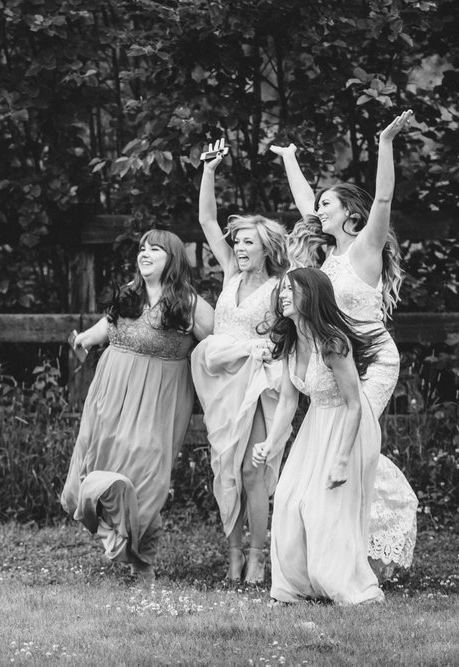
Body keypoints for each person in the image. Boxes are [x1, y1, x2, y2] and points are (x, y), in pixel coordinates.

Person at [270, 111, 418, 578]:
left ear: (350, 214)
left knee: (353, 444)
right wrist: (291, 160)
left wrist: (386, 143)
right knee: (326, 445)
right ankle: (329, 551)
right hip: (334, 358)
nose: (318, 210)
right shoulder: (324, 257)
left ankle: (365, 548)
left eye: (327, 204)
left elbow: (385, 197)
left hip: (372, 361)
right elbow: (303, 205)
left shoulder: (365, 249)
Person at [60, 229, 214, 582]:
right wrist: (84, 338)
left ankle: (141, 559)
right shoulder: (130, 295)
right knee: (97, 462)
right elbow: (109, 326)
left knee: (145, 472)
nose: (145, 254)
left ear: (172, 259)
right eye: (142, 248)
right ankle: (117, 537)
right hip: (110, 394)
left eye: (155, 250)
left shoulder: (188, 304)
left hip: (157, 399)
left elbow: (219, 345)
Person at [252, 268, 387, 604]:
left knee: (323, 506)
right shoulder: (290, 340)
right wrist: (269, 444)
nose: (282, 295)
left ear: (310, 295)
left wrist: (341, 461)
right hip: (317, 422)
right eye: (281, 289)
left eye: (289, 289)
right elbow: (287, 399)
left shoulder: (334, 343)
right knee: (286, 496)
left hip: (348, 424)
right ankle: (295, 586)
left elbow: (355, 404)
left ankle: (346, 585)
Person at [190, 144, 290, 585]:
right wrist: (209, 171)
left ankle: (257, 557)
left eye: (249, 241)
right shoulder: (230, 272)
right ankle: (232, 554)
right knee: (224, 468)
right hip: (220, 382)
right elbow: (207, 220)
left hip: (256, 382)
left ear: (266, 248)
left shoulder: (277, 286)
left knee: (252, 469)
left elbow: (291, 332)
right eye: (239, 241)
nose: (240, 246)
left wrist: (271, 349)